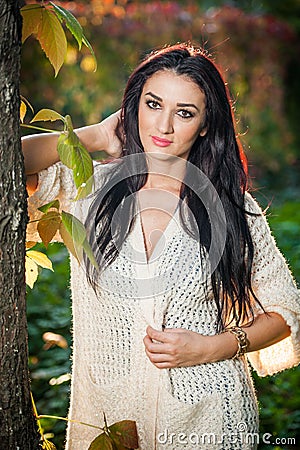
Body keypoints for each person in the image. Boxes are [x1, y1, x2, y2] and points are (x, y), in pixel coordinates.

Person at [23, 44, 300, 450]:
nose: (164, 125)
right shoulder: (90, 188)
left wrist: (212, 347)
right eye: (153, 104)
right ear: (134, 108)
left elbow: (285, 310)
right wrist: (98, 135)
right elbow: (10, 159)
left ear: (206, 125)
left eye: (185, 112)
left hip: (209, 419)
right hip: (108, 421)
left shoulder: (230, 206)